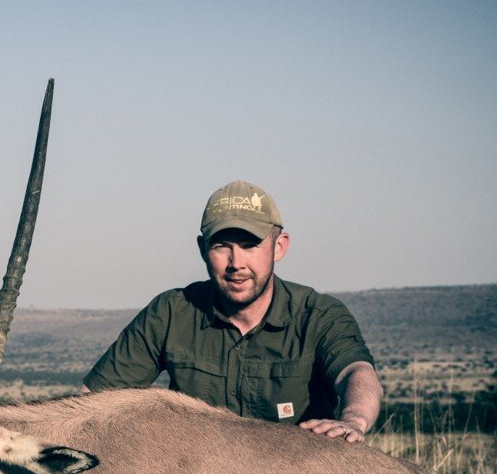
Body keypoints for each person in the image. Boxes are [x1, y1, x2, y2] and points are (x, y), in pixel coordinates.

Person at [81, 180, 383, 442]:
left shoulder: (319, 314)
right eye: (221, 246)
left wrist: (353, 422)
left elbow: (357, 372)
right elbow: (93, 401)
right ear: (202, 249)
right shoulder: (170, 312)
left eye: (250, 245)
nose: (235, 262)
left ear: (279, 246)